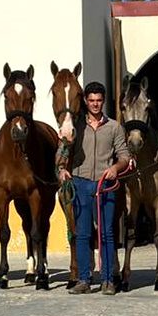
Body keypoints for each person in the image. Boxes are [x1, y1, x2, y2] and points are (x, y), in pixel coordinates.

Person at [56, 81, 134, 295]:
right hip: (80, 183)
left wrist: (115, 168)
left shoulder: (114, 127)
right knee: (82, 233)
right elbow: (62, 149)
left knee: (107, 233)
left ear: (104, 101)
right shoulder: (76, 125)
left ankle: (108, 280)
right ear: (85, 101)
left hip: (105, 184)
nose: (95, 104)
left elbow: (125, 156)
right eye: (91, 100)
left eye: (99, 100)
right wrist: (62, 168)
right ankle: (84, 279)